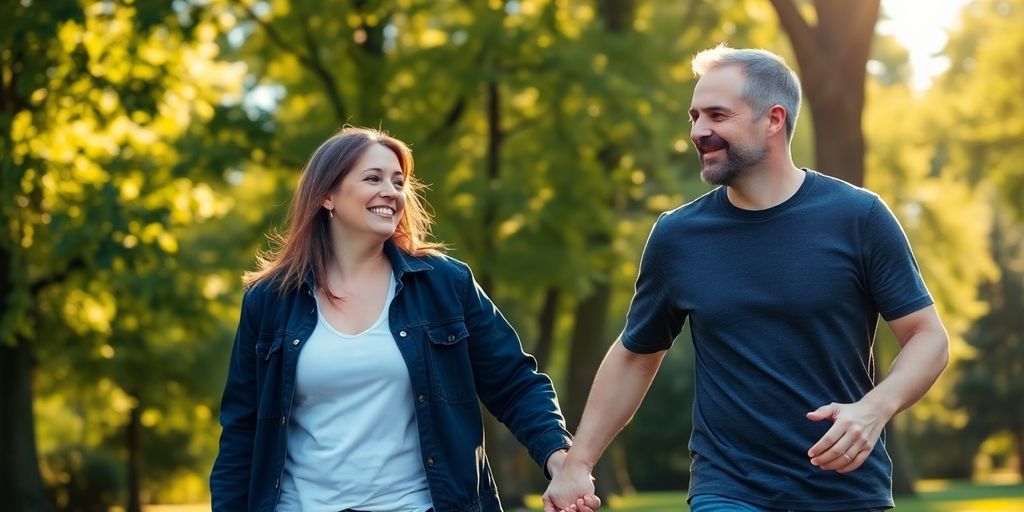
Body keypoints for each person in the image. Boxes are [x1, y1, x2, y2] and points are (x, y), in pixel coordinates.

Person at [543, 45, 949, 512]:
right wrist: (578, 463)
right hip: (730, 491)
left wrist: (875, 408)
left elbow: (927, 337)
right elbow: (637, 355)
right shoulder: (679, 236)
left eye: (717, 115)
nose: (698, 131)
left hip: (848, 491)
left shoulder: (858, 217)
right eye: (694, 116)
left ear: (774, 119)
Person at [210, 126, 599, 512]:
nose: (391, 192)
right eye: (373, 178)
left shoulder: (446, 284)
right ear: (327, 195)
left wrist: (559, 458)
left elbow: (515, 383)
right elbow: (242, 430)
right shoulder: (270, 301)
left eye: (398, 182)